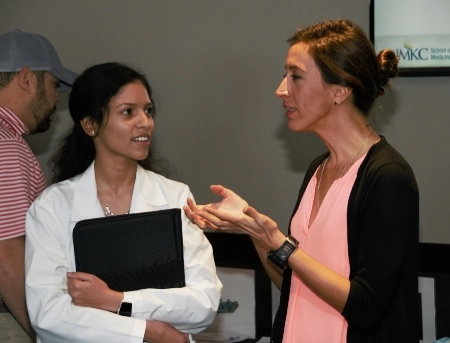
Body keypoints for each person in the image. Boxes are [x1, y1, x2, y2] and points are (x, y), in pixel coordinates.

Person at [184, 19, 419, 342]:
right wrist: (255, 231)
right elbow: (295, 284)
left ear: (339, 90)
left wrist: (281, 243)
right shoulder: (318, 169)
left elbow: (366, 306)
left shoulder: (388, 177)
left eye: (295, 76)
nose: (281, 90)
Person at [24, 62, 222, 343]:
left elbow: (204, 303)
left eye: (148, 110)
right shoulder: (52, 207)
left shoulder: (175, 196)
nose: (145, 122)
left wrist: (115, 301)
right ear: (90, 125)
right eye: (128, 112)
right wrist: (149, 331)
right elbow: (49, 314)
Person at [0, 30, 77, 341]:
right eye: (54, 84)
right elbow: (6, 255)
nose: (57, 97)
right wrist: (43, 334)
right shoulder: (5, 146)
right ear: (27, 79)